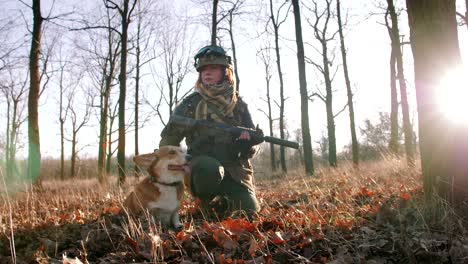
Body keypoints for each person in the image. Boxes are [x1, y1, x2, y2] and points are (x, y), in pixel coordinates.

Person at [159, 45, 260, 218]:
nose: (207, 72)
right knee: (209, 168)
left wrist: (247, 144)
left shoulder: (238, 105)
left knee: (249, 210)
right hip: (201, 169)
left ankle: (223, 203)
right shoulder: (190, 104)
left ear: (224, 72)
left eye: (213, 68)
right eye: (203, 69)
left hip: (234, 171)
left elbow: (252, 146)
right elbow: (169, 139)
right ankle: (204, 202)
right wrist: (179, 166)